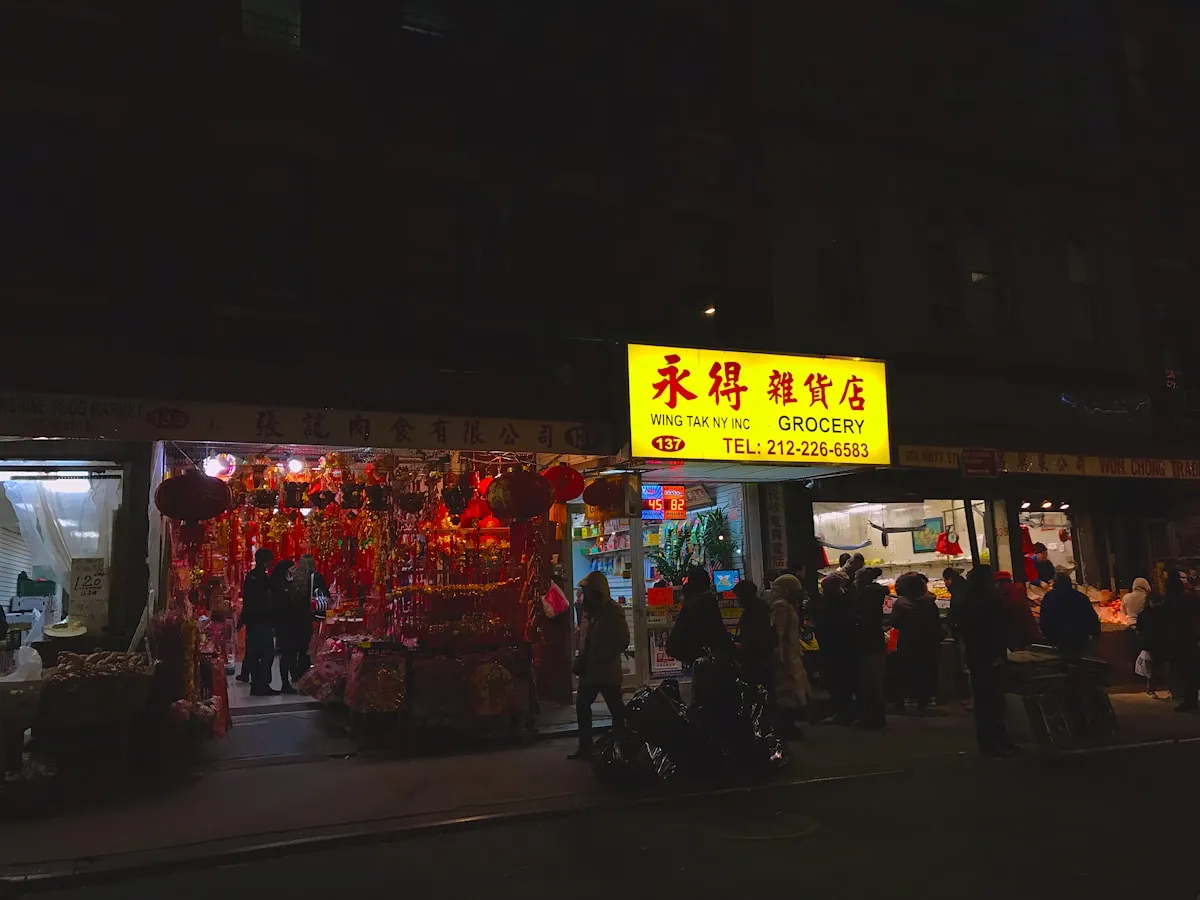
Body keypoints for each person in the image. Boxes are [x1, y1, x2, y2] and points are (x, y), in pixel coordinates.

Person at [569, 571, 629, 760]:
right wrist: (581, 657)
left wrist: (602, 656)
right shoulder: (588, 612)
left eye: (589, 592)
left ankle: (620, 745)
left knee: (616, 709)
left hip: (607, 671)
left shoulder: (613, 611)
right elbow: (584, 638)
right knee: (583, 706)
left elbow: (622, 640)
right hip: (590, 670)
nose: (586, 596)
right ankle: (585, 746)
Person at [961, 565, 1014, 756]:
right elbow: (993, 630)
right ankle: (995, 742)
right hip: (987, 657)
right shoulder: (986, 600)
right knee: (991, 701)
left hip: (979, 657)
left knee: (987, 702)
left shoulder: (971, 599)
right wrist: (997, 654)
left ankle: (994, 741)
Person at [891, 572, 944, 713]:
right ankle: (922, 704)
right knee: (924, 674)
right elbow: (936, 625)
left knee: (903, 673)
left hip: (907, 643)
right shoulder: (929, 603)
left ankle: (900, 703)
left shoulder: (900, 604)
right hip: (927, 643)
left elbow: (895, 624)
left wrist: (891, 645)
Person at [815, 563, 859, 724]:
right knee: (845, 682)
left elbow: (828, 627)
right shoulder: (847, 602)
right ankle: (847, 712)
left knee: (838, 682)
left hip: (835, 651)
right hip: (845, 650)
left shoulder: (830, 606)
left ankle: (843, 713)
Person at [767, 574, 811, 736]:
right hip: (785, 655)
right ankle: (787, 726)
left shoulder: (787, 605)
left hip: (791, 653)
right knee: (786, 690)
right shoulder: (781, 606)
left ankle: (788, 725)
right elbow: (779, 633)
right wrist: (780, 655)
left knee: (791, 688)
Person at [666, 567, 733, 664]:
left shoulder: (689, 602)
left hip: (690, 654)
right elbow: (717, 631)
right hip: (706, 657)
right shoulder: (707, 603)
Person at [237, 548, 279, 696]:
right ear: (267, 561)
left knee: (254, 654)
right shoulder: (264, 579)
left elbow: (247, 601)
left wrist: (243, 619)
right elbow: (267, 601)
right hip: (262, 621)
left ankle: (256, 684)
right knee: (267, 653)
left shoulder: (251, 577)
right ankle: (263, 684)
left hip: (252, 622)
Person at [853, 566, 888, 729]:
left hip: (867, 642)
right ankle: (877, 717)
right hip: (876, 641)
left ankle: (871, 718)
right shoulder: (876, 593)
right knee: (875, 683)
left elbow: (861, 618)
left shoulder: (865, 596)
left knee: (869, 683)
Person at [1039, 571, 1100, 655]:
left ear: (1055, 583)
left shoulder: (1049, 597)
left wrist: (1047, 636)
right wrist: (1095, 637)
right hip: (1080, 639)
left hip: (1057, 640)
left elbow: (1044, 620)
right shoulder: (1081, 597)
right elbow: (1093, 619)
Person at [1164, 572, 1200, 712]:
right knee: (1190, 671)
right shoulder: (1190, 598)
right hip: (1190, 639)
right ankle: (1190, 699)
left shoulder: (1173, 602)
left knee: (1186, 671)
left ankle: (1189, 700)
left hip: (1181, 640)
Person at [734, 579, 773, 699]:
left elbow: (754, 638)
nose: (738, 600)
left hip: (757, 660)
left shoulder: (754, 612)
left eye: (739, 597)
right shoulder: (760, 608)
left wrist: (740, 649)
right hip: (761, 658)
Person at [290, 554, 328, 677]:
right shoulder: (316, 577)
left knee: (298, 644)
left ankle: (296, 672)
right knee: (309, 644)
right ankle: (306, 672)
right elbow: (326, 594)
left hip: (296, 615)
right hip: (310, 615)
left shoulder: (295, 577)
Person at [943, 567, 972, 707]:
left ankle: (969, 696)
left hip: (966, 632)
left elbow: (957, 611)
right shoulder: (966, 588)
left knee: (967, 662)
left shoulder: (958, 591)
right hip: (970, 630)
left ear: (949, 580)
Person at [270, 559, 299, 693]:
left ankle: (290, 679)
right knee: (286, 653)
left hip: (290, 623)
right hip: (284, 623)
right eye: (292, 568)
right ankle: (285, 682)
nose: (293, 571)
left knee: (290, 653)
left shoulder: (287, 583)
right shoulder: (278, 585)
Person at [994, 571, 1042, 651]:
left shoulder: (1004, 593)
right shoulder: (1017, 589)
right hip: (1028, 630)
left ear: (999, 582)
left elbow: (1008, 613)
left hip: (1016, 631)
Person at [1136, 588, 1170, 698]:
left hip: (1160, 643)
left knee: (1162, 667)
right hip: (1151, 644)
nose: (1156, 604)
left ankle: (1168, 688)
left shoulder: (1162, 613)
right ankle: (1151, 689)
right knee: (1151, 669)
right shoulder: (1146, 614)